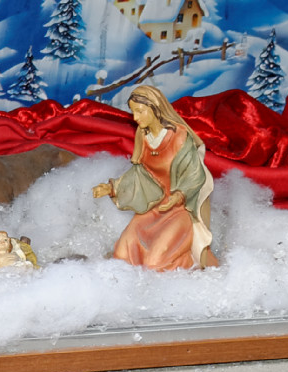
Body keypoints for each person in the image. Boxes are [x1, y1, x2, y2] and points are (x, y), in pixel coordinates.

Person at [93, 83, 217, 271]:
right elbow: (140, 173)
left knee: (155, 263)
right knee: (122, 255)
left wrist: (179, 195)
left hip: (180, 210)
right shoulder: (143, 136)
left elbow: (194, 174)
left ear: (154, 108)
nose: (135, 118)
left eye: (140, 111)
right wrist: (113, 188)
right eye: (133, 112)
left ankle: (190, 264)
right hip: (154, 207)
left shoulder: (178, 136)